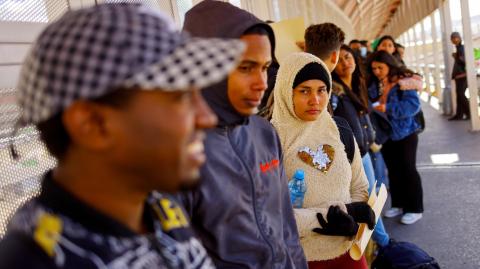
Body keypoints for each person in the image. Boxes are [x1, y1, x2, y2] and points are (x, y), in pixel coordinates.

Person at [0, 3, 247, 268]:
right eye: (182, 97)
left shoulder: (159, 209)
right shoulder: (34, 260)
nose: (207, 118)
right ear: (93, 124)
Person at [179, 1, 308, 268]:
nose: (262, 83)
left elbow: (286, 226)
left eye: (265, 67)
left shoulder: (263, 133)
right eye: (246, 68)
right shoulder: (173, 154)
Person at [271, 52, 372, 269]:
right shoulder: (270, 140)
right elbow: (272, 215)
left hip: (349, 254)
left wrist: (352, 218)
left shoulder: (340, 129)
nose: (315, 100)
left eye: (322, 90)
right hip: (298, 259)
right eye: (304, 91)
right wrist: (335, 216)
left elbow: (360, 186)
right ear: (285, 92)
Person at [331, 45, 391, 247]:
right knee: (368, 199)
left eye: (347, 57)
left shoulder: (359, 84)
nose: (345, 63)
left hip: (366, 149)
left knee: (372, 197)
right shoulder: (334, 92)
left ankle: (377, 243)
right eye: (338, 60)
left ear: (355, 59)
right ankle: (384, 244)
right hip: (352, 156)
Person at [367, 51, 424, 225]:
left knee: (408, 169)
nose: (377, 71)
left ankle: (414, 208)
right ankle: (398, 204)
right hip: (386, 133)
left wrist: (388, 107)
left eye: (380, 67)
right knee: (393, 170)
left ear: (389, 65)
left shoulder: (404, 80)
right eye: (374, 68)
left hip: (406, 132)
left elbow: (412, 105)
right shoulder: (374, 84)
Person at [449, 31, 470, 121]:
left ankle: (469, 113)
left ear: (460, 38)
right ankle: (459, 114)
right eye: (453, 38)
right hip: (459, 76)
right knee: (459, 95)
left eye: (456, 37)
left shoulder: (461, 48)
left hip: (463, 75)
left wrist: (456, 57)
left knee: (461, 94)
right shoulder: (458, 48)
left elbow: (465, 61)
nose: (454, 39)